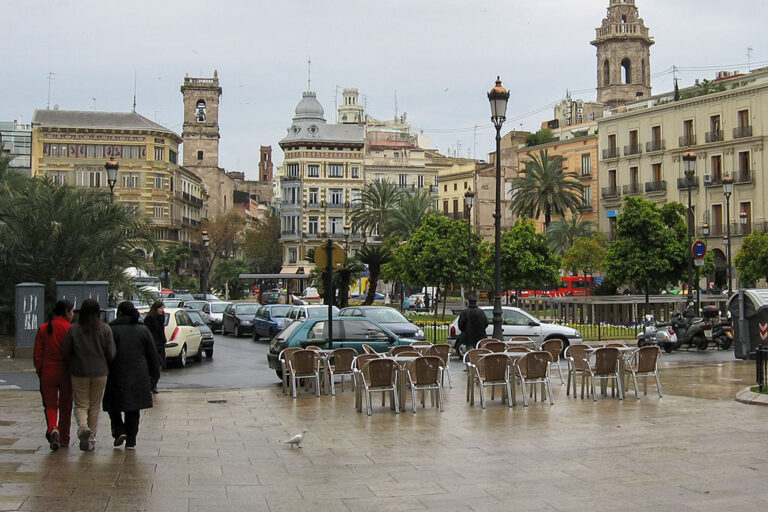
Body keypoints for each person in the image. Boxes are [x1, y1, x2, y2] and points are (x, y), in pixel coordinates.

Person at [104, 302, 160, 450]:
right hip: (138, 374)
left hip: (116, 373)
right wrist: (154, 376)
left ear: (120, 313)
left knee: (113, 406)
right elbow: (152, 355)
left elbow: (106, 353)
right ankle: (131, 440)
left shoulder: (112, 329)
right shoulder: (143, 329)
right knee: (133, 408)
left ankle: (119, 430)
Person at [63, 298, 116, 452]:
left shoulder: (73, 329)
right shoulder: (105, 328)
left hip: (79, 371)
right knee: (94, 406)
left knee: (81, 404)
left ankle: (83, 428)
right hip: (100, 371)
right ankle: (91, 439)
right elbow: (111, 353)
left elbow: (66, 351)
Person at [33, 300, 75, 451]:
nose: (73, 314)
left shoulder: (44, 328)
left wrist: (40, 370)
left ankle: (52, 428)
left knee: (50, 405)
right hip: (65, 373)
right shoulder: (69, 328)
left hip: (48, 372)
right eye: (71, 311)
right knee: (66, 406)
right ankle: (64, 438)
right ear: (65, 311)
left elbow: (38, 353)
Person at [143, 301, 166, 393]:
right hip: (153, 344)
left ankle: (154, 384)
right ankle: (151, 385)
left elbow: (161, 331)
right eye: (160, 308)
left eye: (163, 308)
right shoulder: (150, 319)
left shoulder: (161, 318)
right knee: (154, 365)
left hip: (160, 343)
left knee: (160, 364)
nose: (162, 310)